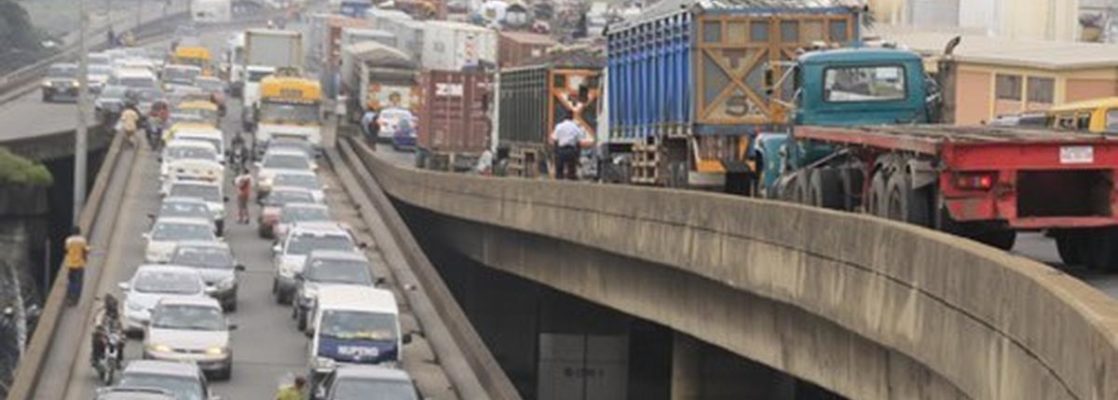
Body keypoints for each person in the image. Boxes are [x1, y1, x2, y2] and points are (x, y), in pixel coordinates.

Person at [550, 113, 586, 180]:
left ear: (564, 118)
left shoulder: (559, 126)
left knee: (559, 171)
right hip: (571, 151)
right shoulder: (575, 127)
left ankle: (559, 180)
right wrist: (577, 155)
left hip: (561, 150)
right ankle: (571, 180)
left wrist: (555, 152)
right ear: (572, 118)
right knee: (571, 171)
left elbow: (554, 139)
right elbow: (579, 141)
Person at [64, 227, 90, 305]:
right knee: (78, 282)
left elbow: (66, 249)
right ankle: (75, 300)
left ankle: (69, 297)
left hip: (71, 264)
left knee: (71, 281)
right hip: (79, 264)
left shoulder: (68, 240)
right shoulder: (82, 240)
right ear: (79, 232)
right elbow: (85, 250)